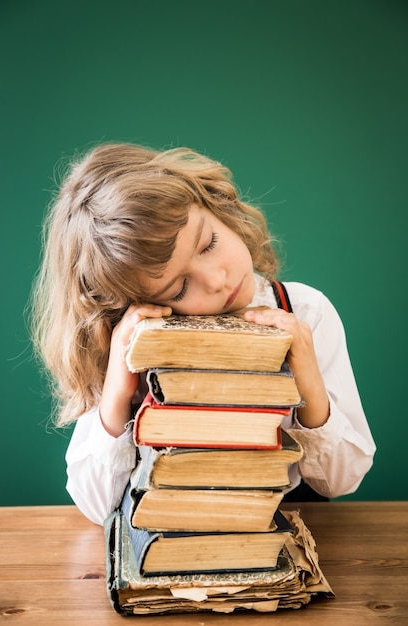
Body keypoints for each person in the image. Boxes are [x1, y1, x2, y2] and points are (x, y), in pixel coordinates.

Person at [31, 142, 376, 525]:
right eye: (178, 289)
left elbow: (343, 480)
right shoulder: (133, 343)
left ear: (216, 207)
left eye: (208, 244)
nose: (216, 280)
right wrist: (118, 387)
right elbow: (97, 506)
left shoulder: (306, 311)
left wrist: (308, 381)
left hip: (285, 533)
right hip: (172, 540)